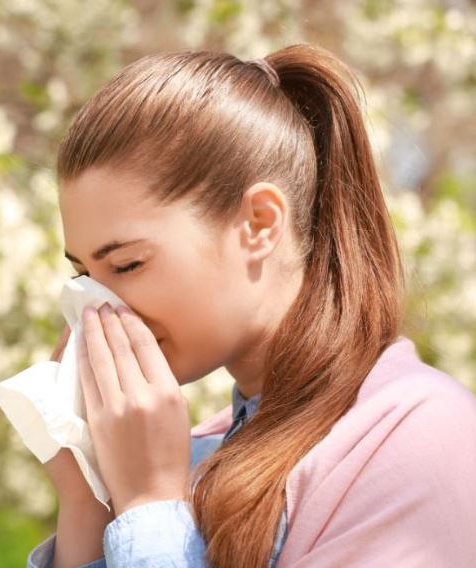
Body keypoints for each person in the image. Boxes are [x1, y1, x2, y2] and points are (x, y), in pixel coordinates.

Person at [24, 43, 476, 568]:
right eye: (82, 274)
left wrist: (150, 503)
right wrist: (89, 498)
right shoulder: (193, 454)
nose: (96, 307)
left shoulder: (416, 442)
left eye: (126, 266)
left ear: (259, 223)